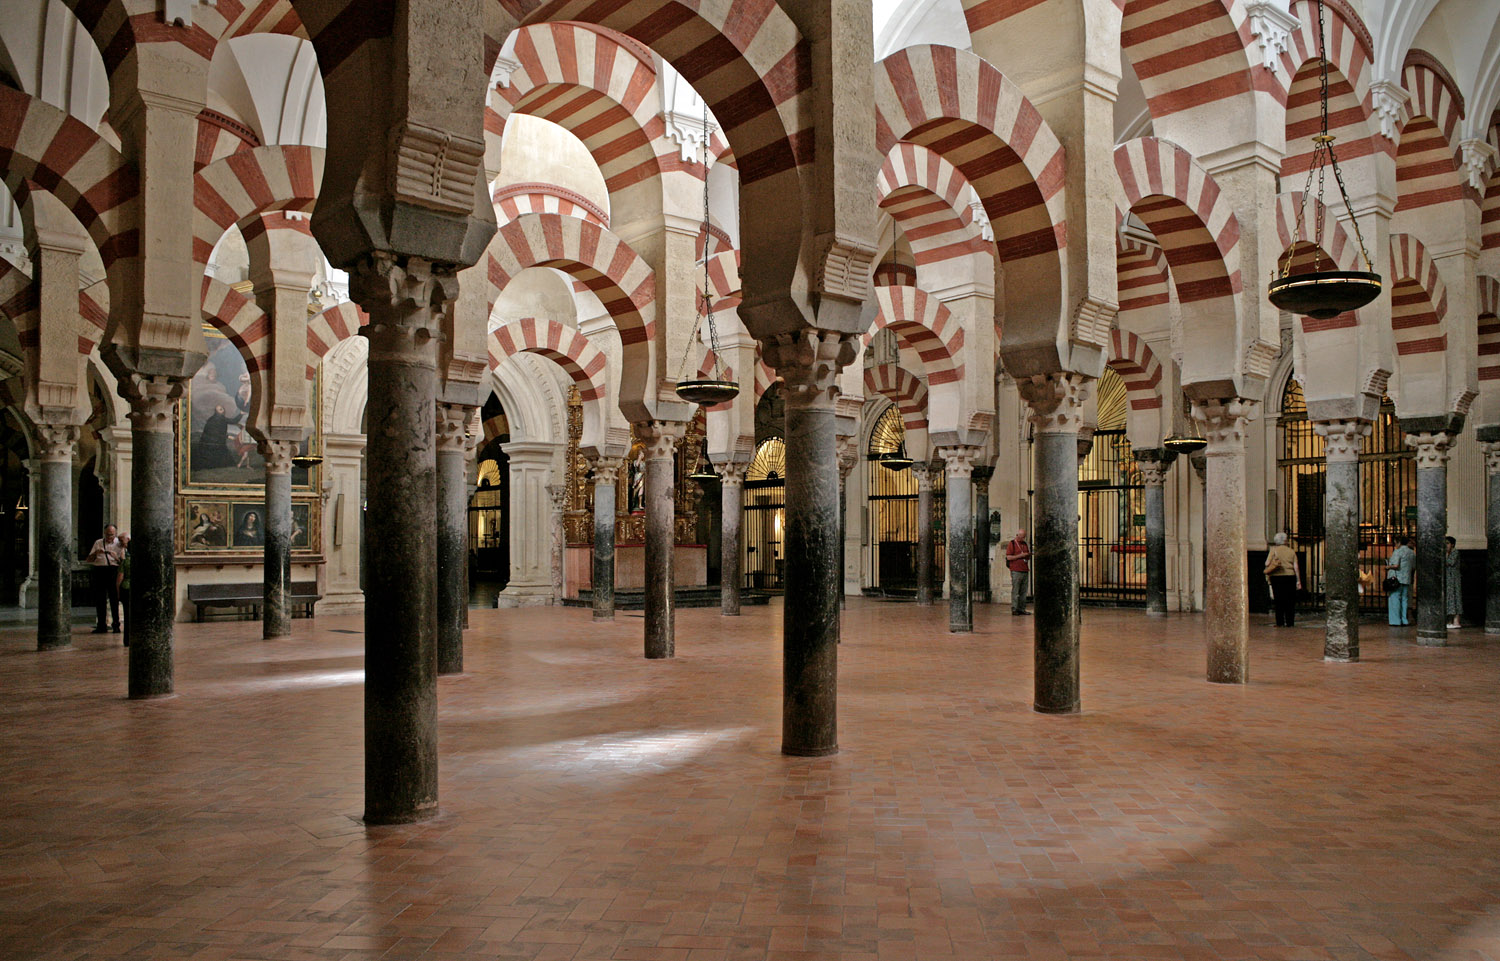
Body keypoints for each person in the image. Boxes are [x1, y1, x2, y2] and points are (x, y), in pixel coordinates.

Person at [85, 524, 123, 634]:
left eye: (111, 535)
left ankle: (116, 624)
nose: (109, 537)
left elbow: (123, 562)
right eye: (107, 534)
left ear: (115, 534)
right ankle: (101, 625)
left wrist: (115, 556)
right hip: (99, 570)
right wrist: (96, 553)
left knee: (114, 599)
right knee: (100, 599)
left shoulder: (119, 544)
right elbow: (89, 559)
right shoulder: (98, 543)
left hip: (113, 570)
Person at [1263, 532, 1301, 627]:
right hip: (1290, 577)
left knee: (1279, 601)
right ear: (1285, 541)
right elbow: (1296, 567)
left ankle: (1279, 622)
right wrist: (1298, 580)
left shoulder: (1273, 550)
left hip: (1277, 577)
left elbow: (1267, 563)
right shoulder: (1291, 551)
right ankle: (1290, 622)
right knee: (1290, 601)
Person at [1386, 536, 1416, 626]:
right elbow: (1414, 566)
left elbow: (1395, 565)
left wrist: (1388, 567)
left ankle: (1395, 620)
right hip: (1406, 578)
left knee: (1394, 599)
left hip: (1396, 579)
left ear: (1399, 542)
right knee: (1404, 599)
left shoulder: (1398, 551)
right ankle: (1404, 619)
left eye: (1395, 543)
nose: (1395, 545)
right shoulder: (1412, 553)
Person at [1005, 529, 1031, 615]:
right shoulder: (1012, 543)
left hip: (1024, 569)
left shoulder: (1024, 544)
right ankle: (1015, 608)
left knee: (1024, 591)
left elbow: (1026, 556)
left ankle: (1022, 608)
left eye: (1024, 537)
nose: (1023, 539)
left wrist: (1027, 555)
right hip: (1016, 570)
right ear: (1018, 535)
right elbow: (1009, 557)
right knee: (1016, 590)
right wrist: (1021, 555)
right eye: (1021, 537)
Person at [117, 534, 131, 648]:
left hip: (126, 589)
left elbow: (120, 578)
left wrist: (117, 591)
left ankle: (127, 640)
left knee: (127, 616)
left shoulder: (125, 562)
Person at [1445, 536, 1461, 629]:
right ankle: (1450, 620)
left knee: (1455, 598)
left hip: (1454, 578)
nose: (1446, 545)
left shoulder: (1455, 552)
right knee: (1450, 598)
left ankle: (1456, 620)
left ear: (1452, 544)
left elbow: (1449, 562)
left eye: (1447, 543)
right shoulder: (1447, 553)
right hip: (1449, 579)